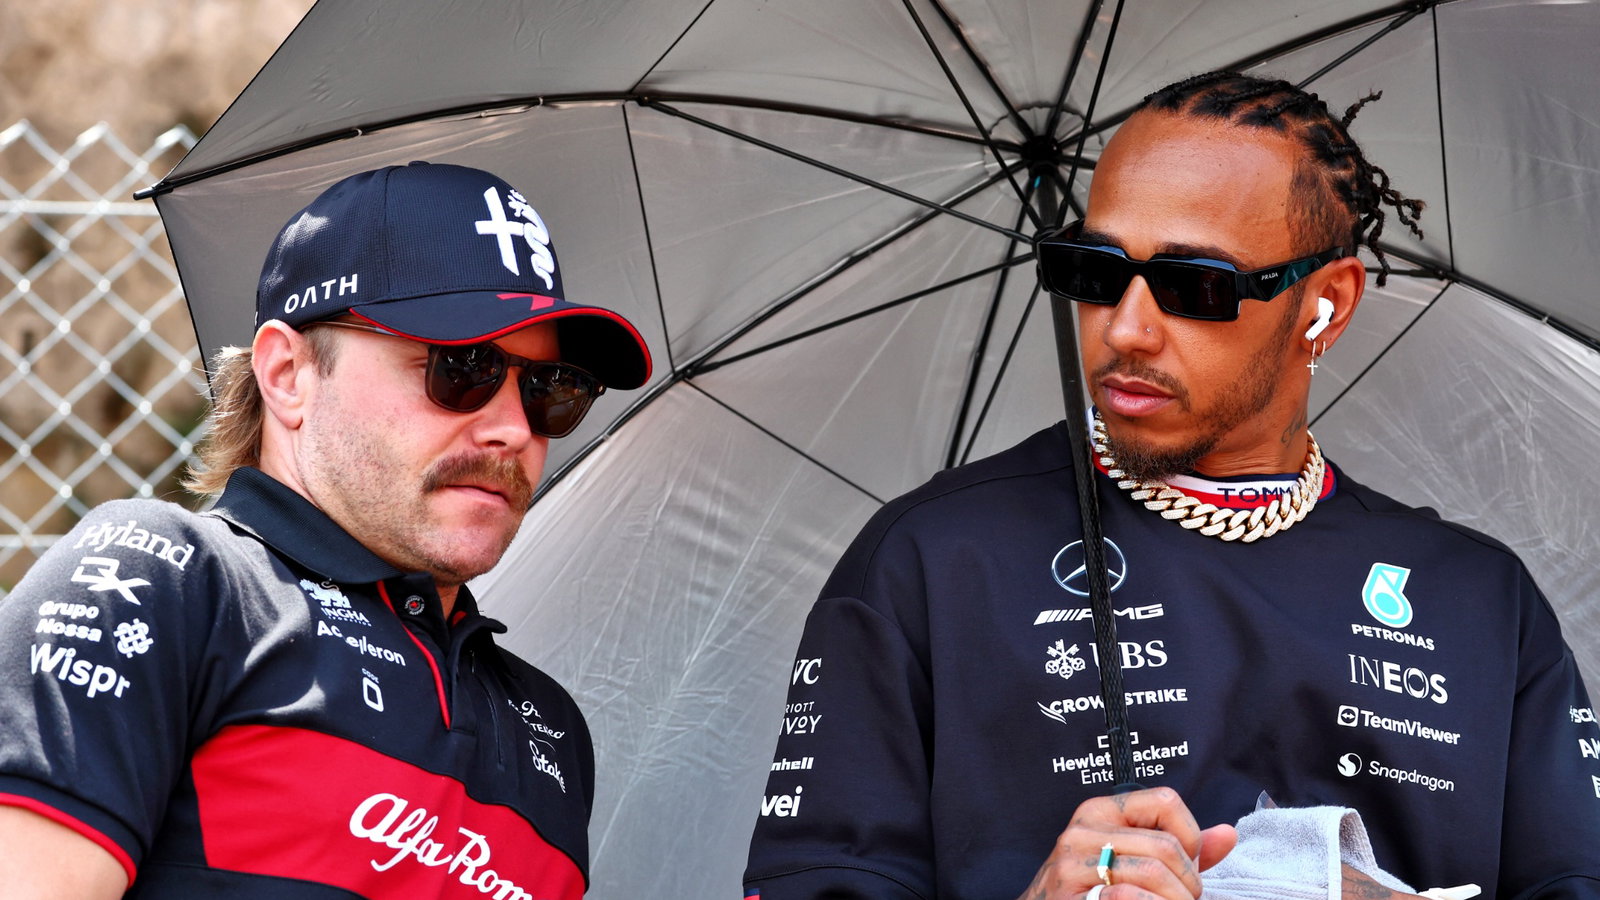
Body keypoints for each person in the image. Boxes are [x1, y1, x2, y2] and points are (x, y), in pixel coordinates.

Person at [744, 72, 1600, 900]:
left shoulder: (1480, 599)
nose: (1125, 328)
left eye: (1197, 286)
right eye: (1094, 269)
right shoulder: (930, 560)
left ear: (1325, 306)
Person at [0, 161, 651, 898]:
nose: (510, 429)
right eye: (460, 367)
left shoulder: (550, 729)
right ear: (288, 374)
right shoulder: (165, 581)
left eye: (548, 391)